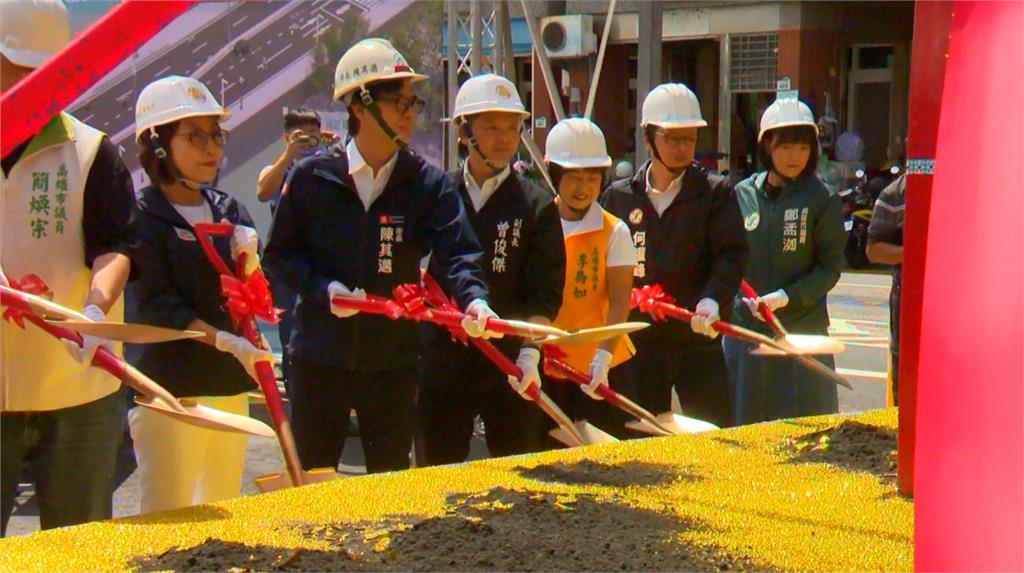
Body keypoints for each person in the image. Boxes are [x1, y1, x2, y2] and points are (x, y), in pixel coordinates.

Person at [264, 39, 495, 474]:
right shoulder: (312, 177)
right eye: (397, 102)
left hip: (392, 362)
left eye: (413, 102)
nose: (409, 113)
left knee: (389, 485)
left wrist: (474, 300)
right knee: (313, 484)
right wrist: (324, 290)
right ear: (359, 105)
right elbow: (278, 257)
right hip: (319, 357)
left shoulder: (425, 184)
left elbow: (460, 251)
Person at [0, 0, 137, 534]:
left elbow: (118, 246)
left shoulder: (91, 152)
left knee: (77, 549)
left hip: (76, 392)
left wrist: (93, 311)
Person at [125, 76, 274, 513]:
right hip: (168, 394)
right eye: (196, 136)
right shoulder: (141, 217)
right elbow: (157, 304)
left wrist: (252, 260)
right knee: (168, 521)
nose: (212, 148)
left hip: (227, 387)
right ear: (157, 145)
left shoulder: (230, 211)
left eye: (216, 135)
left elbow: (251, 294)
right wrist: (225, 341)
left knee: (220, 520)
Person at [417, 74, 564, 465]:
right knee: (436, 472)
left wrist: (530, 355)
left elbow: (545, 289)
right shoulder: (438, 194)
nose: (504, 138)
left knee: (515, 476)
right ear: (465, 132)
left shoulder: (537, 205)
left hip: (510, 362)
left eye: (513, 128)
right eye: (492, 127)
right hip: (444, 360)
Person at [601, 83, 747, 429]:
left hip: (696, 338)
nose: (683, 148)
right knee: (637, 436)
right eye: (672, 138)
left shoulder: (715, 194)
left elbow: (732, 255)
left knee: (714, 435)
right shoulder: (620, 198)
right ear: (649, 138)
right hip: (639, 343)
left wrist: (712, 299)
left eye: (690, 138)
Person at [724, 97, 846, 425]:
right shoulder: (743, 194)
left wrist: (788, 296)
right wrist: (736, 298)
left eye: (803, 147)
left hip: (800, 330)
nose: (795, 157)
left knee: (804, 430)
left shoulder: (821, 198)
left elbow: (830, 268)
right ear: (766, 147)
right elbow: (728, 257)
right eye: (785, 147)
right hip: (749, 331)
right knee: (747, 426)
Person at [543, 117, 638, 438]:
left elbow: (620, 300)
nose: (583, 188)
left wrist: (603, 357)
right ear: (555, 174)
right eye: (574, 177)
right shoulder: (537, 224)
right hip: (548, 365)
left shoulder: (615, 231)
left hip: (601, 367)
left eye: (592, 177)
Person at [255, 108, 335, 391]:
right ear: (287, 137)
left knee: (326, 326)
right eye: (300, 136)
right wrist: (289, 154)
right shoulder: (278, 168)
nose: (307, 142)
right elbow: (263, 192)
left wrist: (333, 151)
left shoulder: (328, 165)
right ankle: (296, 387)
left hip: (322, 261)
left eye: (313, 135)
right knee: (289, 326)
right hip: (288, 262)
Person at [866, 173, 905, 406]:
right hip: (909, 300)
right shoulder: (895, 194)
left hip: (962, 305)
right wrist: (918, 251)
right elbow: (873, 250)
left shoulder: (969, 184)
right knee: (907, 378)